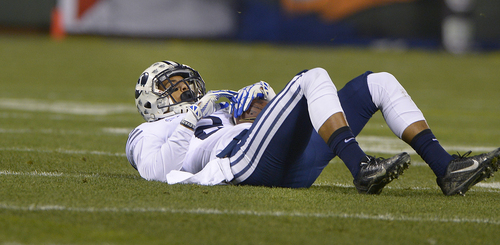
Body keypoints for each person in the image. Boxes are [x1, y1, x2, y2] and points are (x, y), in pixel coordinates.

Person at [126, 60, 500, 195]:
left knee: (379, 81)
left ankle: (447, 168)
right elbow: (159, 172)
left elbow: (276, 125)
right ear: (150, 101)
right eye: (171, 87)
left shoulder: (220, 105)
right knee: (312, 76)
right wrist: (192, 118)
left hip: (277, 157)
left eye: (184, 82)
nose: (185, 90)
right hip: (239, 164)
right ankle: (361, 168)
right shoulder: (146, 133)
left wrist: (266, 103)